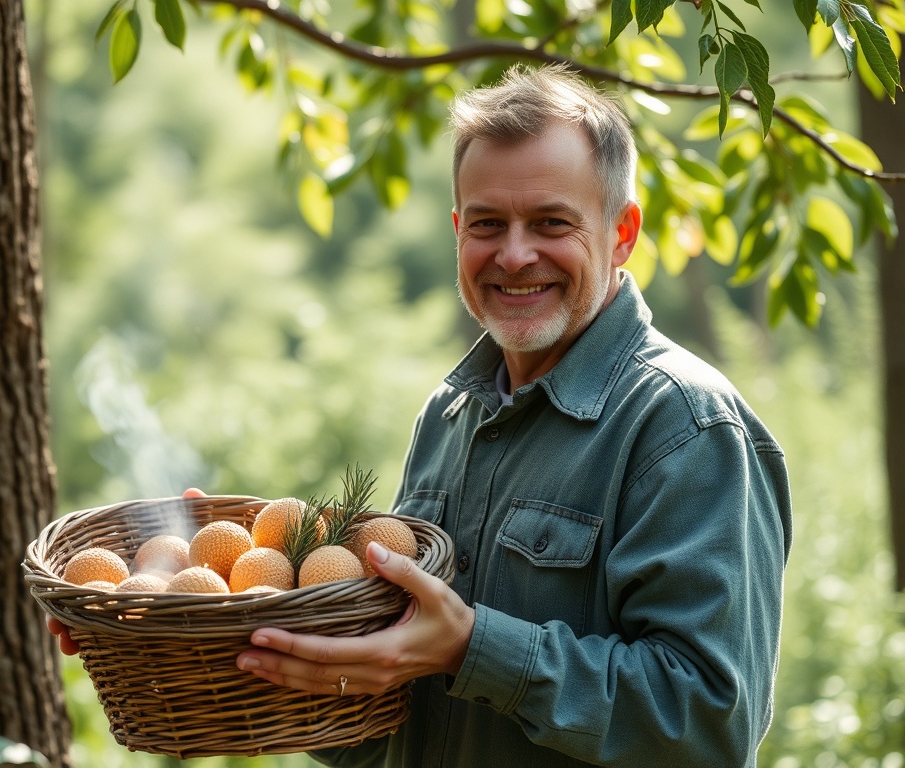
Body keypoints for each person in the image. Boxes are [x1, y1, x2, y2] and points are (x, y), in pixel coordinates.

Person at [49, 63, 793, 766]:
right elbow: (392, 725)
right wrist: (243, 648)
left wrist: (472, 648)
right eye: (487, 224)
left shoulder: (684, 428)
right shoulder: (450, 416)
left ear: (622, 232)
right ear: (458, 229)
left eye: (551, 223)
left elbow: (711, 726)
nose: (514, 255)